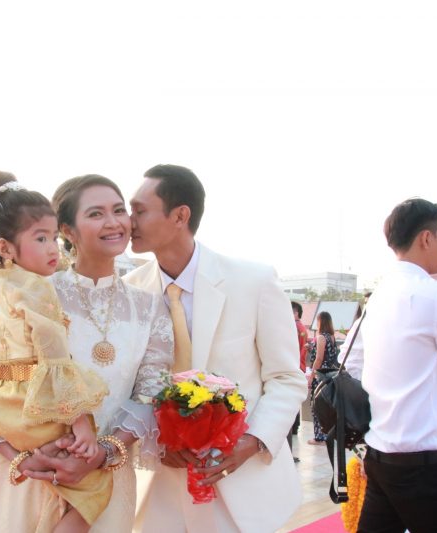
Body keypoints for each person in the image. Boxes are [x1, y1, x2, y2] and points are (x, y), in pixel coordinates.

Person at [0, 174, 173, 532]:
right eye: (95, 214)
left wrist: (103, 452)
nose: (113, 222)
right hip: (28, 475)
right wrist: (18, 457)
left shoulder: (150, 307)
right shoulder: (33, 291)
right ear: (68, 230)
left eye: (119, 210)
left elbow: (150, 391)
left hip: (104, 480)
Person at [125, 164, 305, 533]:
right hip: (159, 487)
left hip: (242, 486)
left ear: (180, 215)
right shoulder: (128, 292)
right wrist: (157, 441)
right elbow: (127, 385)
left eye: (139, 210)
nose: (128, 221)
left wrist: (251, 442)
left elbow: (286, 377)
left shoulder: (253, 280)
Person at [358, 198, 437, 532]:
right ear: (426, 238)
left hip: (381, 455)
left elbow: (350, 361)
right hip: (424, 463)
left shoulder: (376, 296)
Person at [307, 311, 339, 445]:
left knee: (316, 405)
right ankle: (328, 434)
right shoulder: (332, 337)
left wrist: (311, 376)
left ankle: (319, 436)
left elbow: (319, 358)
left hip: (320, 374)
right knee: (327, 405)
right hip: (330, 374)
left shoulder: (321, 337)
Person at [289, 301, 308, 461]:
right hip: (299, 368)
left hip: (293, 368)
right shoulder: (301, 327)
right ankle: (296, 428)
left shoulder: (295, 327)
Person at [339, 292, 370, 381]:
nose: (366, 306)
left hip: (353, 372)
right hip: (359, 374)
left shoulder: (360, 322)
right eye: (365, 303)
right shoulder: (365, 322)